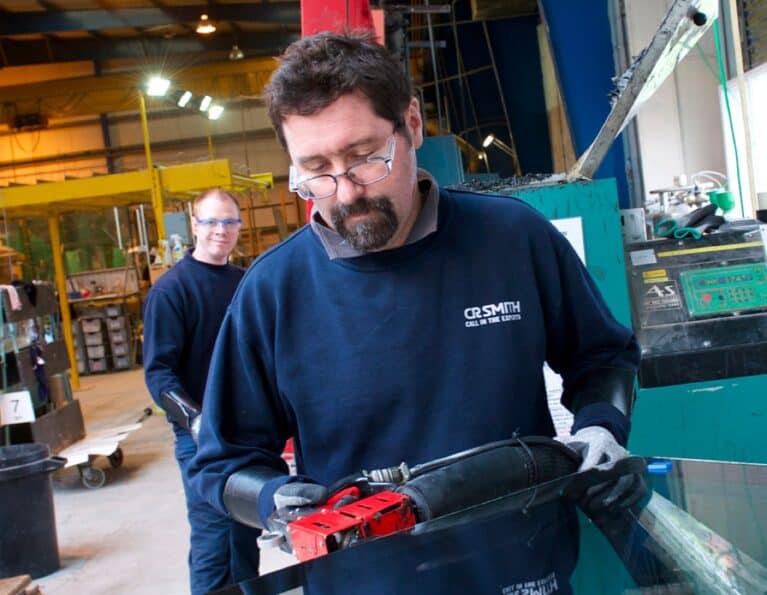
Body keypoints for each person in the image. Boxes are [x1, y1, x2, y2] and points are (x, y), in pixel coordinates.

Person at [190, 32, 642, 592]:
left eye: (364, 158)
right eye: (316, 169)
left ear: (411, 123)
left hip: (524, 573)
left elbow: (602, 355)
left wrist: (602, 426)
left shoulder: (513, 238)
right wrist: (271, 497)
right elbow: (220, 462)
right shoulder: (273, 291)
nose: (346, 191)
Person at [143, 189, 261, 595]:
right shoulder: (171, 291)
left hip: (246, 432)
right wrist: (195, 420)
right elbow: (159, 374)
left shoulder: (245, 283)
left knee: (244, 534)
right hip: (200, 440)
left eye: (229, 221)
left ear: (239, 226)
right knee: (215, 541)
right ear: (194, 225)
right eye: (210, 221)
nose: (220, 231)